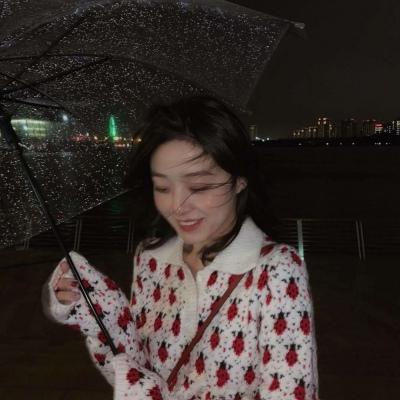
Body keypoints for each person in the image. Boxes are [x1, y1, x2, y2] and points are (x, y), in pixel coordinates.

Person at [43, 96, 319, 399]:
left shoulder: (276, 271)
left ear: (240, 180)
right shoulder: (151, 257)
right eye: (162, 187)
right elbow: (140, 371)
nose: (177, 206)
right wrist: (101, 309)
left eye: (199, 187)